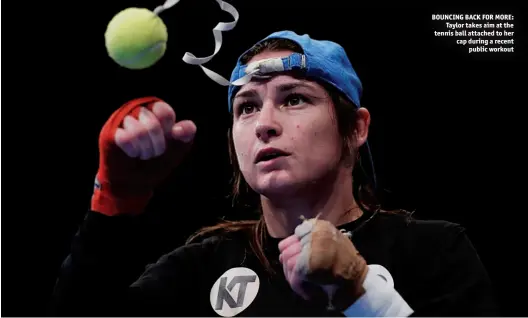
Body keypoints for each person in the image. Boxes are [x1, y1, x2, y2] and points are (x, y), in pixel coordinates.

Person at [51, 31, 499, 317]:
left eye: (294, 99)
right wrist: (113, 204)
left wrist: (364, 298)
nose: (264, 122)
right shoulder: (204, 265)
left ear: (356, 128)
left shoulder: (434, 250)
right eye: (246, 107)